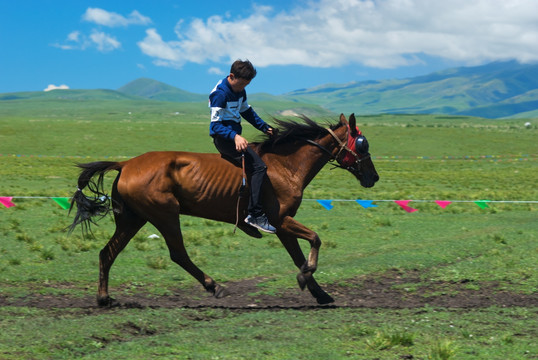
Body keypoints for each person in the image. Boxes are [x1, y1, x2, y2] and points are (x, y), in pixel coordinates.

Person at [209, 59, 276, 234]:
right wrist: (235, 136)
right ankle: (255, 214)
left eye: (247, 84)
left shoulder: (241, 91)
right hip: (224, 140)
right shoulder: (220, 94)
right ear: (232, 76)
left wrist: (264, 127)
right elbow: (215, 126)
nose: (243, 87)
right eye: (242, 83)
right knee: (260, 167)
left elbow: (246, 111)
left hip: (235, 137)